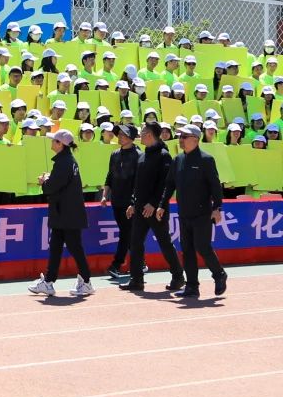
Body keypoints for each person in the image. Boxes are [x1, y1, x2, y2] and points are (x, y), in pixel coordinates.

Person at [159, 125, 229, 298]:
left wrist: (217, 208)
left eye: (184, 136)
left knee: (202, 246)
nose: (180, 140)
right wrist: (161, 204)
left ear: (195, 139)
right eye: (180, 136)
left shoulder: (206, 159)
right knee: (187, 250)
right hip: (184, 213)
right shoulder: (178, 160)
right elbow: (169, 185)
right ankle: (191, 286)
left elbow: (215, 185)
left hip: (202, 213)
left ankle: (219, 274)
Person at [119, 122, 185, 293]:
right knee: (135, 243)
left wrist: (154, 204)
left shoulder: (164, 156)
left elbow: (166, 184)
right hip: (140, 208)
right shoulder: (142, 156)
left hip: (156, 210)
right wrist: (133, 203)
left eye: (142, 133)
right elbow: (137, 184)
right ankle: (136, 279)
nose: (139, 136)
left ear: (149, 135)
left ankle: (178, 276)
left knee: (164, 242)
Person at [29, 129, 95, 298]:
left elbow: (52, 187)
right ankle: (48, 282)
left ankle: (86, 282)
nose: (51, 142)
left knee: (74, 247)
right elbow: (59, 183)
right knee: (56, 247)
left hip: (67, 213)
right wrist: (49, 179)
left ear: (60, 144)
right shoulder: (66, 161)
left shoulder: (64, 162)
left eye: (54, 140)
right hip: (64, 212)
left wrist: (44, 181)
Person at [101, 124, 141, 279]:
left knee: (125, 232)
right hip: (116, 200)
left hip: (130, 202)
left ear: (131, 138)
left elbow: (139, 181)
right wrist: (105, 195)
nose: (120, 137)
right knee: (128, 233)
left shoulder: (139, 155)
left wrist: (134, 202)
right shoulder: (115, 154)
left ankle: (116, 264)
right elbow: (110, 176)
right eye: (119, 134)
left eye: (124, 134)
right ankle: (141, 262)